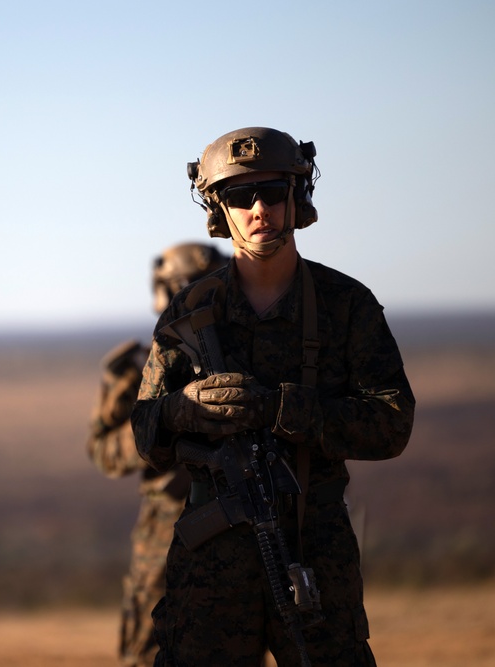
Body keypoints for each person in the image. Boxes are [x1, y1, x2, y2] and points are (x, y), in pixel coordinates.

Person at [131, 127, 415, 666]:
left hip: (313, 555)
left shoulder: (347, 305)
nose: (259, 209)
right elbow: (145, 433)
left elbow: (393, 422)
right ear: (219, 209)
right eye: (240, 196)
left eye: (273, 193)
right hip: (210, 565)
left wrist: (280, 409)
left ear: (298, 197)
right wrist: (179, 409)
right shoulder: (189, 311)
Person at [86, 242, 226, 667]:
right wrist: (162, 424)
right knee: (148, 650)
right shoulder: (140, 367)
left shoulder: (247, 357)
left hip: (239, 526)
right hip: (166, 530)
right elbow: (103, 452)